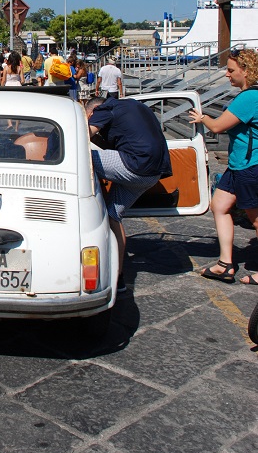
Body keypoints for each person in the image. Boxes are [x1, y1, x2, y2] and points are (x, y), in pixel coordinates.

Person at [85, 95, 172, 293]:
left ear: (91, 112)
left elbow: (83, 137)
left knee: (80, 156)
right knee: (113, 215)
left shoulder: (105, 109)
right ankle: (119, 277)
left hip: (135, 165)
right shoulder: (136, 106)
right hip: (154, 173)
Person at [188, 49, 258, 285]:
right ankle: (225, 263)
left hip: (251, 166)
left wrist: (202, 118)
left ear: (246, 71)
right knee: (220, 205)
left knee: (256, 219)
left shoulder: (249, 98)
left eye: (230, 70)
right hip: (239, 165)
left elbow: (218, 127)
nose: (227, 75)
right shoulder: (248, 96)